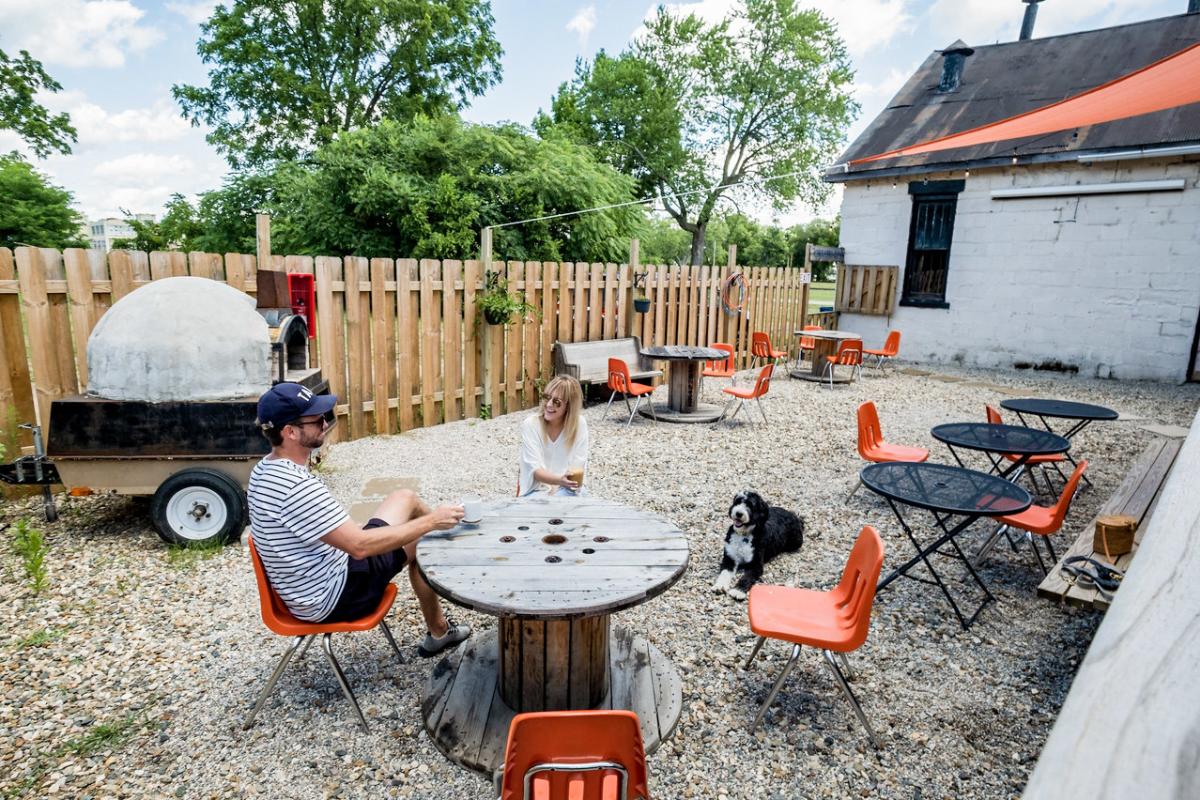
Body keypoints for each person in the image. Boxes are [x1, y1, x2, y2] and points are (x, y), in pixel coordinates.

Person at [246, 382, 470, 658]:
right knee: (426, 539)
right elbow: (360, 546)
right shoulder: (295, 487)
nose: (325, 423)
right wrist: (432, 522)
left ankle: (455, 541)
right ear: (290, 432)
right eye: (316, 419)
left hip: (324, 573)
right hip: (338, 594)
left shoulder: (264, 469)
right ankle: (439, 631)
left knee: (405, 497)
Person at [518, 375, 589, 496]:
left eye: (557, 402)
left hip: (567, 488)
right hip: (536, 490)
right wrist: (558, 481)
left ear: (569, 406)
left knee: (570, 496)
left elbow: (577, 468)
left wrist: (560, 486)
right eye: (547, 398)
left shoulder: (579, 424)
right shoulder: (531, 425)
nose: (549, 404)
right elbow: (535, 470)